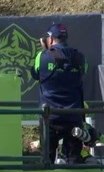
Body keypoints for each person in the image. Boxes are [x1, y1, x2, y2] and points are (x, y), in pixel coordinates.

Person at [30, 23, 88, 164]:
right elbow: (83, 71)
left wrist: (45, 51)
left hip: (50, 115)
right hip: (73, 115)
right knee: (74, 159)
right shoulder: (79, 57)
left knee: (47, 160)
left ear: (50, 39)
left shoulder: (41, 56)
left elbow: (35, 74)